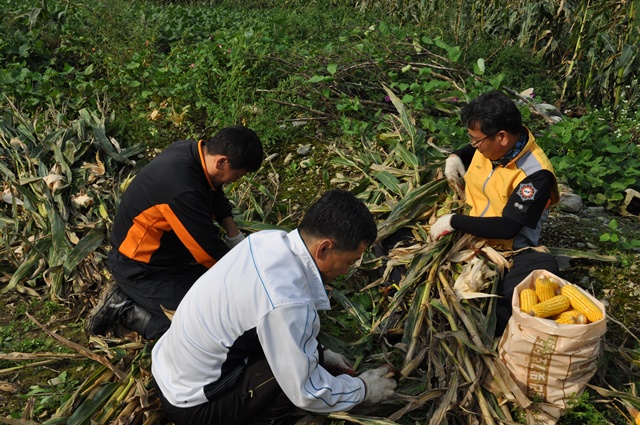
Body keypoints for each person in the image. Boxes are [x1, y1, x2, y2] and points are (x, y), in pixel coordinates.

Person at [151, 189, 398, 425]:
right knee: (285, 379)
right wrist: (363, 390)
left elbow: (264, 314)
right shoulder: (288, 302)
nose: (346, 271)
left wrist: (321, 353)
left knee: (299, 352)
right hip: (195, 406)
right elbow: (306, 390)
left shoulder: (265, 241)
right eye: (349, 262)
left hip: (168, 370)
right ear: (324, 248)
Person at [86, 125, 264, 340]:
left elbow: (215, 194)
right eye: (238, 175)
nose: (236, 181)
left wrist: (235, 238)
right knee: (201, 329)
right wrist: (248, 278)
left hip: (172, 260)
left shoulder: (192, 152)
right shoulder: (182, 188)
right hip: (139, 268)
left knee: (223, 302)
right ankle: (123, 307)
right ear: (222, 162)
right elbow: (207, 252)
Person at [430, 90, 560, 336]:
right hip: (469, 231)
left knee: (542, 266)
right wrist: (456, 156)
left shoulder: (535, 175)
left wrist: (454, 221)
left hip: (505, 249)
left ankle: (484, 327)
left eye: (476, 140)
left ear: (501, 137)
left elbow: (507, 227)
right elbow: (474, 148)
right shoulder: (492, 148)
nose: (474, 147)